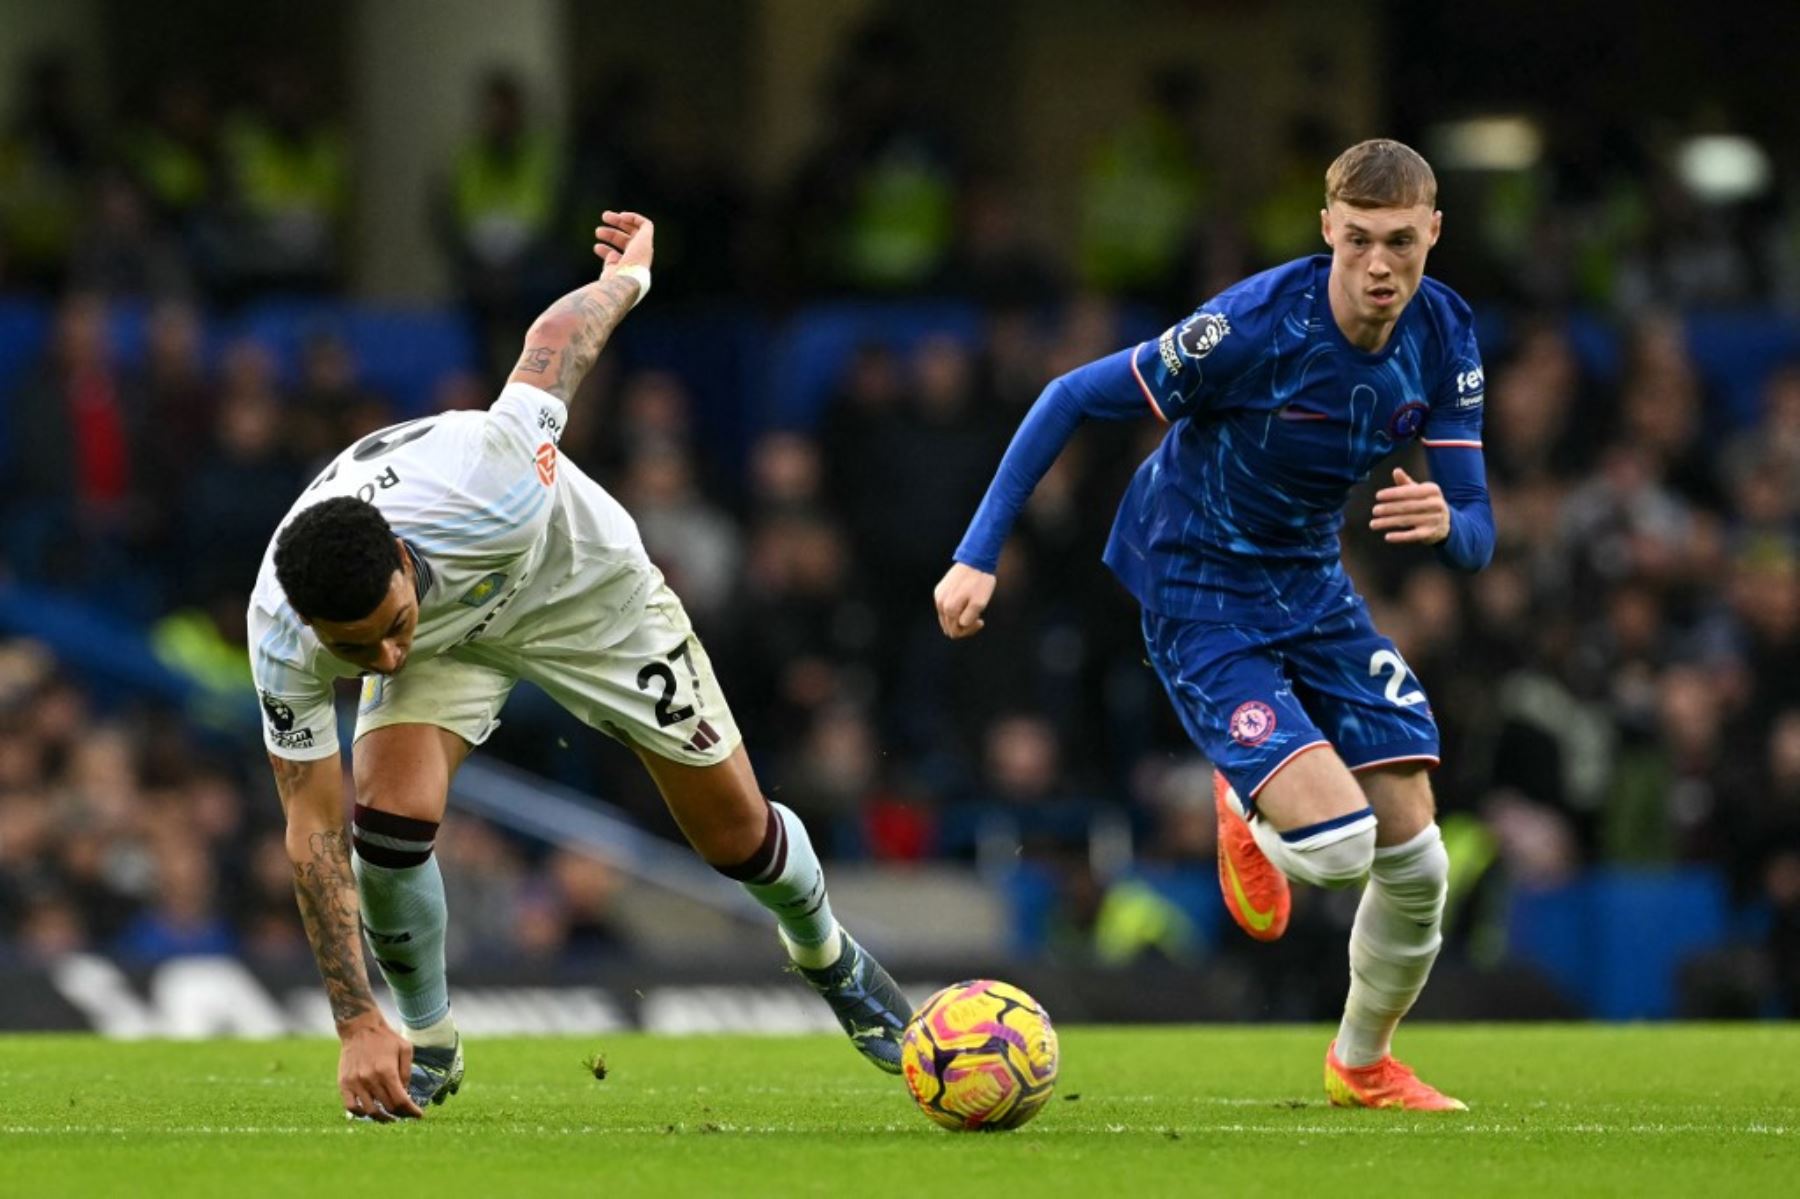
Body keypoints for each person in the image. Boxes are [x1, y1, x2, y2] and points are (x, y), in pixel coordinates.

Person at [250, 212, 911, 1122]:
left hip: (582, 589)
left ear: (404, 556)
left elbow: (555, 341)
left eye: (389, 628)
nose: (384, 659)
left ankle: (825, 949)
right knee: (384, 822)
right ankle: (426, 1041)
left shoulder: (494, 481)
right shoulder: (283, 629)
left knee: (736, 836)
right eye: (354, 650)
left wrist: (627, 279)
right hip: (460, 631)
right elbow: (309, 828)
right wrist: (354, 1018)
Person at [935, 140, 1493, 1110]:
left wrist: (1452, 522)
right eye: (1357, 238)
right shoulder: (1248, 326)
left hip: (1311, 581)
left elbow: (1480, 530)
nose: (1377, 266)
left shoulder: (1444, 332)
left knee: (1420, 856)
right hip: (1196, 579)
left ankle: (1362, 1064)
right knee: (1335, 848)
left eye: (1400, 241)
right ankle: (1243, 800)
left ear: (1432, 234)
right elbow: (1069, 395)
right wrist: (977, 552)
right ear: (1326, 230)